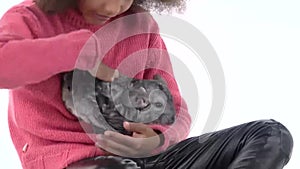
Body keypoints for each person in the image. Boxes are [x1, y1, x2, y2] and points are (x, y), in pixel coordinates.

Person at [0, 0, 293, 169]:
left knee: (271, 135)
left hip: (148, 160)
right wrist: (76, 51)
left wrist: (157, 137)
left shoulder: (139, 24)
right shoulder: (32, 19)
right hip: (75, 165)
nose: (114, 5)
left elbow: (175, 108)